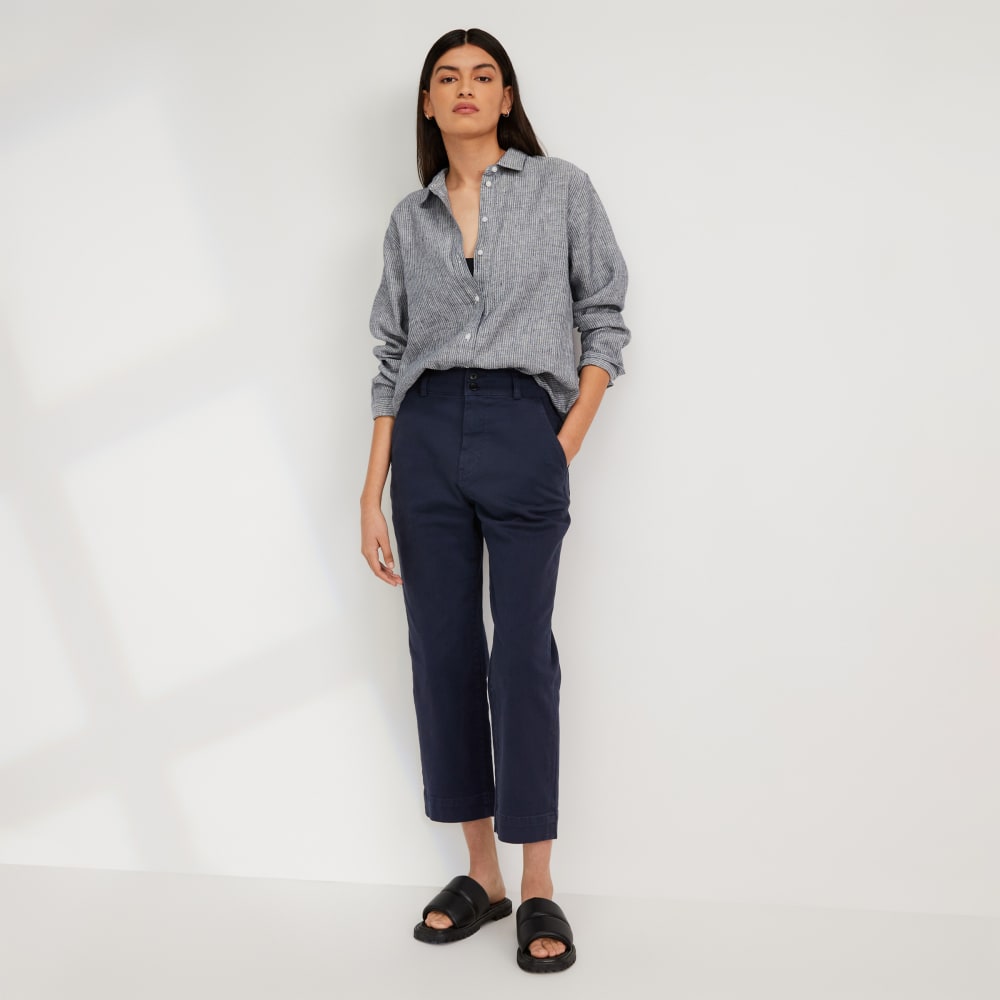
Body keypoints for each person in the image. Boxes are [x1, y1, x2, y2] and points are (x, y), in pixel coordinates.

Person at [360, 27, 629, 974]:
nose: (466, 88)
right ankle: (483, 874)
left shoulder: (561, 190)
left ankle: (539, 878)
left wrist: (565, 439)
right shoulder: (410, 219)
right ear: (428, 103)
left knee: (520, 655)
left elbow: (603, 316)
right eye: (448, 77)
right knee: (441, 653)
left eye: (484, 75)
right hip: (426, 435)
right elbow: (391, 356)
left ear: (507, 97)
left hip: (524, 427)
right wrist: (371, 490)